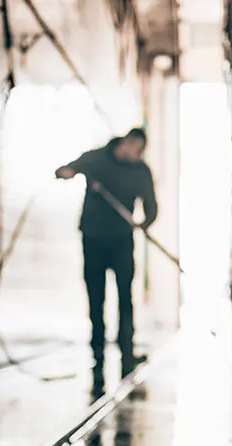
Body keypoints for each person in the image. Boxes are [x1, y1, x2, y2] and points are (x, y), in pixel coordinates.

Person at [55, 128, 157, 396]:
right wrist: (67, 172)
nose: (137, 155)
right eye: (136, 149)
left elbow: (151, 207)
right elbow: (68, 169)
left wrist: (144, 223)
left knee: (125, 298)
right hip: (93, 238)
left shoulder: (141, 171)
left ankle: (127, 354)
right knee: (96, 298)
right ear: (126, 143)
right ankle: (97, 357)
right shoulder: (97, 159)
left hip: (122, 241)